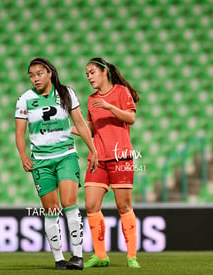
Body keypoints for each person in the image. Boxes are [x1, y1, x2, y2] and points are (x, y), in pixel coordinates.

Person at [15, 57, 98, 270]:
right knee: (51, 210)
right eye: (31, 75)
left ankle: (78, 256)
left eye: (39, 73)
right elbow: (19, 132)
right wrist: (23, 155)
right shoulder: (24, 100)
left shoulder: (66, 93)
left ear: (50, 73)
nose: (35, 78)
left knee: (70, 203)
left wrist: (93, 150)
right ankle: (59, 259)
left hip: (66, 156)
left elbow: (80, 123)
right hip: (41, 162)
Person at [73, 57, 141, 268]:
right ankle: (101, 255)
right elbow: (91, 130)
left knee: (124, 206)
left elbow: (130, 118)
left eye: (92, 72)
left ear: (104, 72)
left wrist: (109, 106)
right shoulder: (91, 100)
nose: (89, 77)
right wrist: (66, 130)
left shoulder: (121, 92)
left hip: (120, 157)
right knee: (91, 205)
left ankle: (131, 257)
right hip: (98, 159)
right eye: (87, 75)